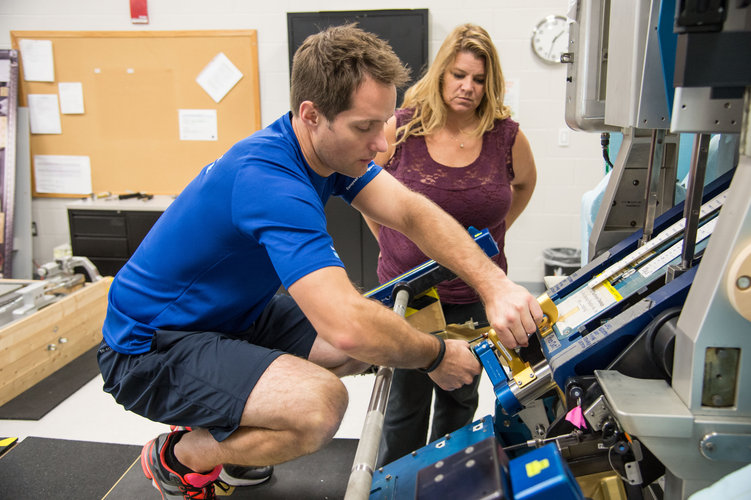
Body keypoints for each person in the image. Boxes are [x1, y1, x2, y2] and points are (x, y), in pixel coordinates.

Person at [97, 24, 542, 499]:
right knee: (320, 404)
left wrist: (495, 287)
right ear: (311, 115)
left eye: (384, 123)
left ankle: (232, 433)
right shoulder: (270, 180)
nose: (381, 145)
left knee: (378, 337)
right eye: (364, 127)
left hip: (232, 317)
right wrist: (434, 355)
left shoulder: (328, 156)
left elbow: (411, 212)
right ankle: (179, 458)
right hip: (149, 347)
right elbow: (346, 324)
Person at [363, 23, 538, 466]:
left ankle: (445, 481)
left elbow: (525, 185)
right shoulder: (403, 128)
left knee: (460, 401)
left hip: (475, 296)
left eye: (479, 79)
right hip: (411, 294)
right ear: (441, 74)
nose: (468, 87)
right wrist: (387, 238)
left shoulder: (505, 136)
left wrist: (494, 235)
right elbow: (363, 186)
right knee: (406, 406)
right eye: (459, 75)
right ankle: (395, 489)